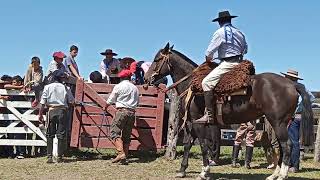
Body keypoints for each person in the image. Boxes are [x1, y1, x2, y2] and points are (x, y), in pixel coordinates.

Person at [196, 10, 248, 123]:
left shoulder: (219, 32)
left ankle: (209, 116)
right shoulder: (240, 32)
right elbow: (245, 49)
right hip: (240, 62)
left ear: (219, 22)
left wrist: (208, 60)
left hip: (228, 64)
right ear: (230, 20)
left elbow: (209, 52)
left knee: (206, 83)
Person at [281, 69, 315, 173]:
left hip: (295, 117)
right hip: (302, 117)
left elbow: (297, 101)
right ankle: (294, 164)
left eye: (287, 77)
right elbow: (312, 98)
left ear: (290, 78)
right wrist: (303, 108)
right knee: (296, 141)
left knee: (293, 141)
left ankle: (294, 166)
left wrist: (296, 109)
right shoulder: (302, 87)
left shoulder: (291, 88)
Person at [38, 70, 74, 163]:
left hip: (51, 111)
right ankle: (59, 156)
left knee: (50, 134)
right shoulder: (66, 88)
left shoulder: (47, 87)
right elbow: (71, 101)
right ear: (61, 78)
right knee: (61, 134)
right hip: (62, 111)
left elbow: (42, 102)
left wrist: (40, 114)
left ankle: (49, 156)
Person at [106, 69, 139, 164]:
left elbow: (111, 99)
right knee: (126, 135)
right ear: (129, 77)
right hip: (132, 113)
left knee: (114, 132)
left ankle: (121, 153)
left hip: (122, 111)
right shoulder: (135, 88)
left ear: (121, 77)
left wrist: (106, 106)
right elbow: (137, 102)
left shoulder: (119, 86)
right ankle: (125, 156)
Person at [3, 75, 26, 159]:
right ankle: (11, 153)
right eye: (12, 82)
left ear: (19, 82)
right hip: (11, 117)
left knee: (19, 134)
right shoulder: (12, 91)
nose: (12, 84)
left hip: (21, 117)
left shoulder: (22, 92)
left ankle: (21, 153)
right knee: (10, 134)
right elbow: (6, 86)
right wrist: (19, 86)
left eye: (14, 82)